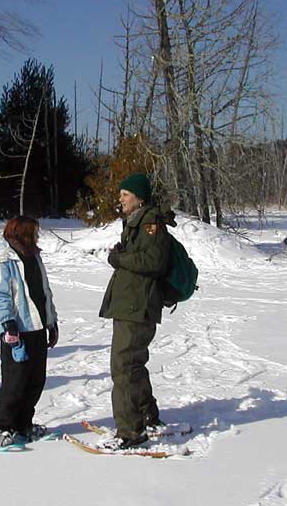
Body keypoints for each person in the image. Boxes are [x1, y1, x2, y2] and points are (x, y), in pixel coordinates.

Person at [99, 173, 171, 449]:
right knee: (133, 364)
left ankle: (130, 431)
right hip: (132, 304)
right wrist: (122, 252)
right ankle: (147, 415)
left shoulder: (150, 223)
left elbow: (154, 261)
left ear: (139, 197)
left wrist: (120, 258)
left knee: (123, 367)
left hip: (137, 306)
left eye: (125, 194)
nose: (121, 199)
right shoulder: (136, 224)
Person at [0, 216, 59, 448]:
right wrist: (8, 323)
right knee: (15, 382)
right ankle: (0, 427)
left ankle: (22, 424)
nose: (38, 236)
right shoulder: (2, 260)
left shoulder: (34, 256)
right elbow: (1, 296)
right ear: (23, 233)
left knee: (36, 379)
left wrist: (52, 322)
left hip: (37, 327)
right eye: (35, 232)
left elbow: (44, 292)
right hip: (17, 331)